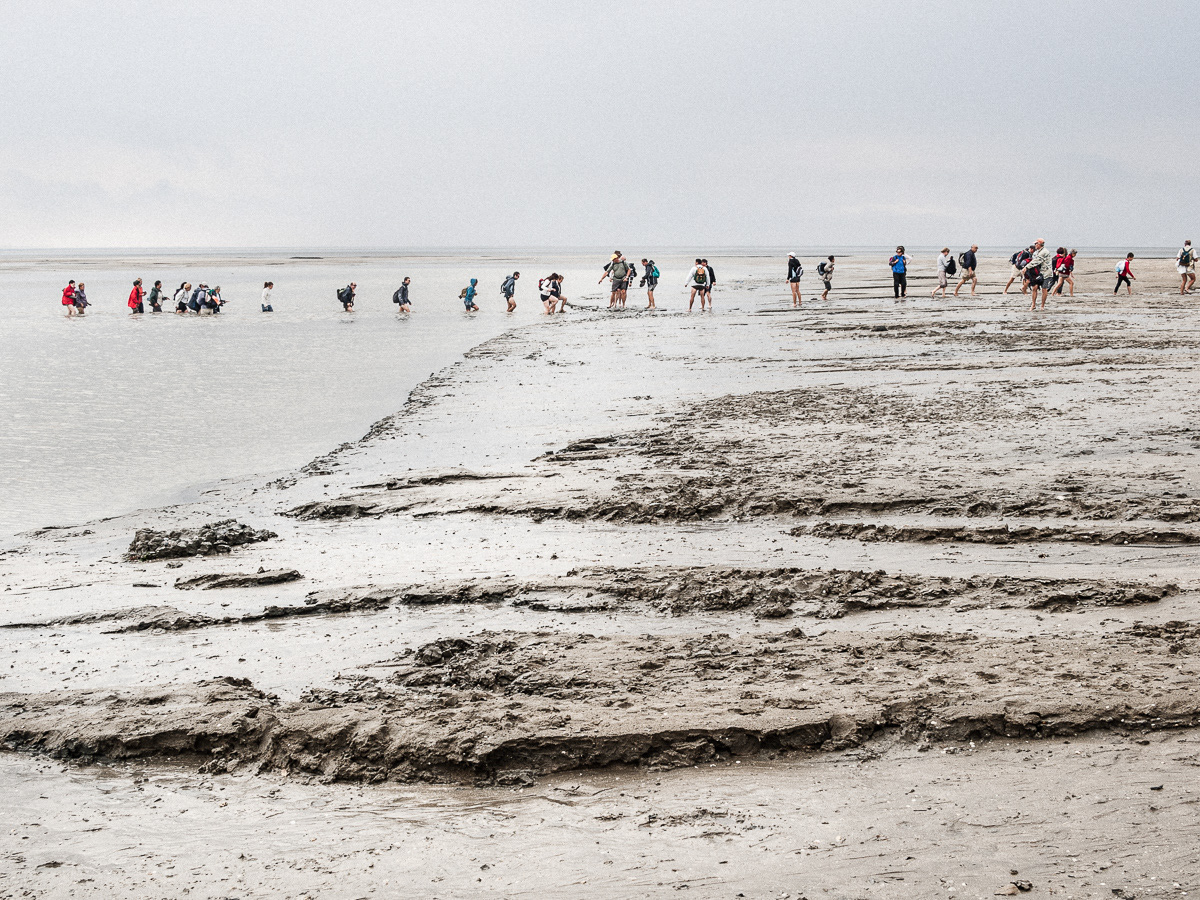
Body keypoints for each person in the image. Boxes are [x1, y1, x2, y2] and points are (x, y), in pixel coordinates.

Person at [1025, 239, 1051, 309]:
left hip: (1046, 272)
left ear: (1039, 244)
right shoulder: (1036, 252)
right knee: (1034, 287)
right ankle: (1033, 304)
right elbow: (1033, 260)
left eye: (1036, 244)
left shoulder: (1044, 252)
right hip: (1037, 273)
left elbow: (1037, 261)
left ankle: (1042, 306)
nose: (1035, 245)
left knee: (1044, 289)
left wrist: (1026, 267)